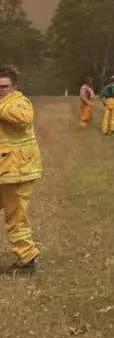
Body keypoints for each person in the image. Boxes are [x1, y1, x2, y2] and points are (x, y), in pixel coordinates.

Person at [0, 66, 41, 275]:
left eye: (4, 86)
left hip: (18, 173)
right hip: (3, 171)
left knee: (16, 218)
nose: (0, 90)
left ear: (14, 87)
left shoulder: (19, 102)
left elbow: (24, 119)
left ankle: (27, 259)